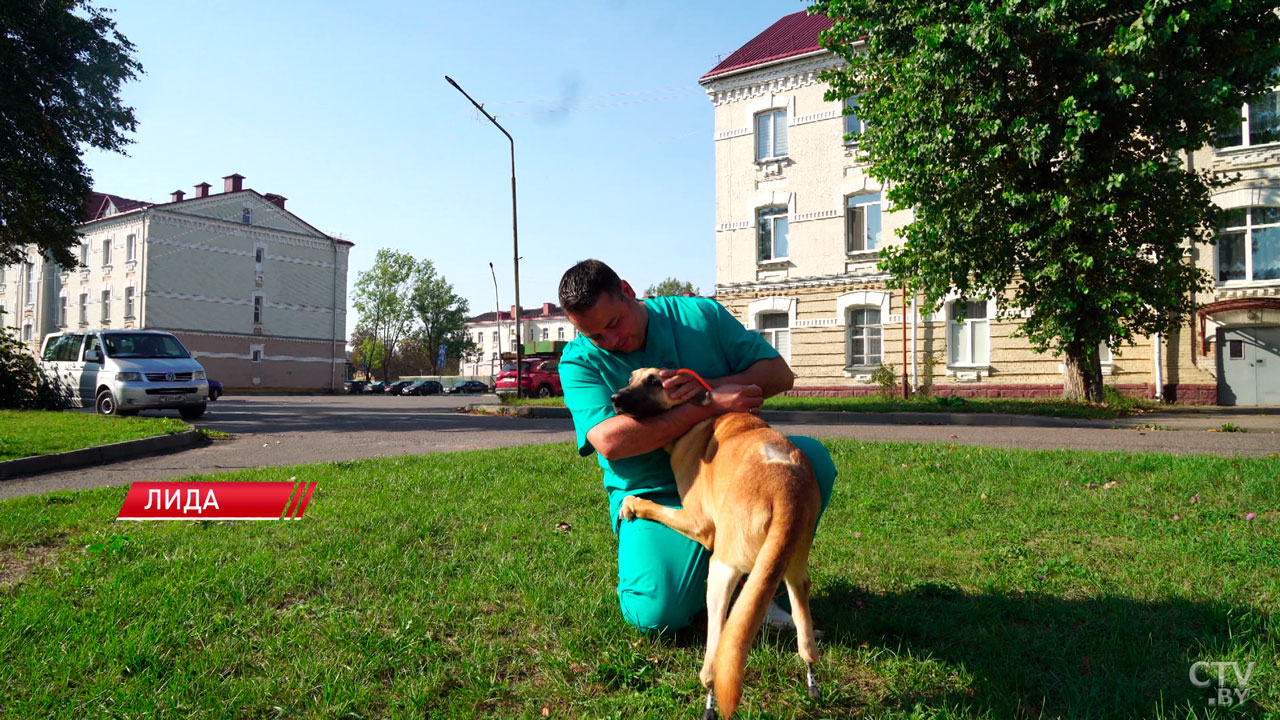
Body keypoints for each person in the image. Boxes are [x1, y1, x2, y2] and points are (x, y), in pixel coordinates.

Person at [557, 259, 837, 634]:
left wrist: (707, 384)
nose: (612, 343)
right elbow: (610, 441)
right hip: (653, 491)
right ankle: (708, 575)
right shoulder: (578, 362)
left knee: (808, 461)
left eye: (613, 325)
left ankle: (757, 589)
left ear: (627, 291)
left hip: (730, 477)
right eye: (595, 337)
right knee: (656, 614)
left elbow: (778, 373)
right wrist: (706, 404)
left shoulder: (698, 316)